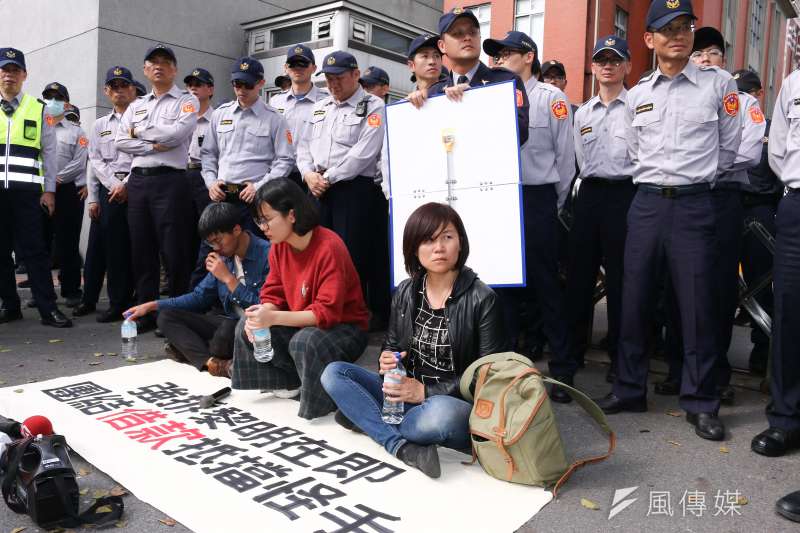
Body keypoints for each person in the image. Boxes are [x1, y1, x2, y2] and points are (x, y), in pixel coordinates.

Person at [595, 0, 742, 443]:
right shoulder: (639, 93)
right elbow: (636, 152)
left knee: (696, 305)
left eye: (685, 26)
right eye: (667, 28)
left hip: (696, 204)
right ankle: (629, 389)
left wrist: (693, 181)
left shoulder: (719, 85)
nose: (678, 35)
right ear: (649, 39)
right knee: (634, 298)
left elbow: (729, 148)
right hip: (645, 204)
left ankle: (700, 402)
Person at [322, 202, 505, 478]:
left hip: (448, 402)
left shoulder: (482, 298)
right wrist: (388, 359)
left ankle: (369, 419)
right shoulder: (407, 291)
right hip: (401, 395)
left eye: (447, 237)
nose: (439, 248)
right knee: (334, 373)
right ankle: (404, 446)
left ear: (460, 243)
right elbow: (393, 345)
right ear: (414, 248)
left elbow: (488, 376)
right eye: (428, 240)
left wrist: (425, 393)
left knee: (439, 416)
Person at [656, 27, 765, 404]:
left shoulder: (738, 99)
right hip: (682, 199)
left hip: (721, 199)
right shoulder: (677, 92)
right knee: (675, 286)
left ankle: (715, 374)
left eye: (712, 53)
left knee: (715, 292)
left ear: (724, 59)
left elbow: (748, 151)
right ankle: (676, 368)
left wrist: (703, 166)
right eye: (698, 53)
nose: (704, 59)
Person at [483, 30, 574, 401]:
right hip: (499, 198)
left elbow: (566, 159)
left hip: (536, 199)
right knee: (501, 291)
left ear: (529, 56)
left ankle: (564, 371)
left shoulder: (550, 98)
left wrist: (553, 205)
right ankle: (506, 374)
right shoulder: (488, 97)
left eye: (509, 53)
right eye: (497, 54)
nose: (500, 59)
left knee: (547, 288)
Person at [232, 178, 370, 420]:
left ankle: (318, 403)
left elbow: (326, 313)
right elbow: (273, 292)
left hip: (345, 327)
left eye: (267, 219)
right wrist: (262, 315)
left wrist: (272, 316)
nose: (263, 227)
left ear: (292, 215)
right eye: (259, 220)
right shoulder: (279, 245)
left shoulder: (329, 246)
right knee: (246, 323)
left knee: (304, 342)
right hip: (303, 322)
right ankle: (287, 382)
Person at [296, 50, 390, 328]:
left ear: (356, 75)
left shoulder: (373, 106)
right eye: (328, 79)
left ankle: (353, 315)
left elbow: (365, 152)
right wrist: (308, 174)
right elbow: (302, 146)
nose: (333, 84)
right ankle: (320, 307)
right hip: (316, 187)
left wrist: (329, 177)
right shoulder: (320, 107)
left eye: (339, 78)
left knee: (352, 255)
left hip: (353, 189)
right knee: (315, 252)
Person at [124, 202, 269, 375]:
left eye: (218, 240)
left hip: (257, 328)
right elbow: (198, 297)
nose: (216, 248)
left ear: (236, 230)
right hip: (229, 323)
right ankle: (214, 364)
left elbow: (266, 306)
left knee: (225, 333)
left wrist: (228, 279)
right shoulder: (224, 258)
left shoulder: (267, 253)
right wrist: (151, 306)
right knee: (166, 317)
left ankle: (195, 351)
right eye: (211, 244)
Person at [566, 36, 635, 393]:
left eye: (615, 60)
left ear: (628, 66)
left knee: (623, 283)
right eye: (601, 60)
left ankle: (620, 361)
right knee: (579, 280)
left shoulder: (637, 106)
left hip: (626, 194)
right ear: (593, 67)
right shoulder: (583, 113)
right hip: (591, 195)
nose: (607, 66)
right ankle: (570, 361)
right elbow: (579, 158)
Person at [115, 43, 199, 332]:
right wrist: (153, 144)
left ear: (175, 69)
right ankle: (145, 313)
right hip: (138, 183)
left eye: (166, 62)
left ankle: (174, 315)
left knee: (174, 250)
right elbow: (119, 141)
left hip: (171, 182)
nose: (159, 66)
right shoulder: (136, 105)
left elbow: (177, 135)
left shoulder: (187, 101)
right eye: (153, 62)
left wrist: (137, 132)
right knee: (142, 250)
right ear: (145, 70)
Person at [0, 48, 72, 328]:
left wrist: (49, 190)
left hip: (27, 194)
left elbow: (49, 153)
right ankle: (10, 305)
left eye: (15, 70)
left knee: (35, 252)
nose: (9, 74)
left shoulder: (38, 108)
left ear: (24, 75)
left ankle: (48, 308)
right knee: (0, 252)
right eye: (5, 69)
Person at [751, 65, 800, 458]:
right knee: (788, 314)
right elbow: (779, 149)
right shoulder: (794, 83)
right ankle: (785, 419)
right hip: (797, 204)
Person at [201, 56, 294, 234]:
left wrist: (259, 186)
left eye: (248, 84)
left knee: (256, 253)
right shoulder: (220, 115)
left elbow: (285, 160)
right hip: (222, 196)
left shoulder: (275, 119)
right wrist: (211, 183)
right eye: (237, 84)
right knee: (215, 251)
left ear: (261, 83)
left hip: (255, 198)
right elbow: (208, 154)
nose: (241, 90)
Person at [408, 8, 529, 145]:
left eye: (473, 32)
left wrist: (473, 99)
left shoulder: (506, 81)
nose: (467, 38)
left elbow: (521, 133)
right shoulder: (434, 93)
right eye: (457, 34)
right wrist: (412, 108)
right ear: (442, 46)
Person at [74, 66, 137, 322]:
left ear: (132, 89)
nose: (119, 90)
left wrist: (125, 185)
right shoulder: (100, 125)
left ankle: (118, 302)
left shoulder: (140, 120)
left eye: (123, 85)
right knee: (96, 250)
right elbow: (94, 161)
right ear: (106, 91)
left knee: (120, 251)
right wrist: (93, 198)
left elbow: (143, 155)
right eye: (114, 86)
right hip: (107, 192)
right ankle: (88, 299)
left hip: (132, 189)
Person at [735, 68, 778, 376]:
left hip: (761, 214)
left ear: (759, 94)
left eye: (747, 93)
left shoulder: (773, 129)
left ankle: (763, 351)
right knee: (721, 285)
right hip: (729, 207)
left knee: (759, 283)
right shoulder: (727, 127)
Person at [41, 81, 88, 308]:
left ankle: (71, 290)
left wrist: (56, 179)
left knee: (68, 242)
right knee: (41, 243)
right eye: (48, 97)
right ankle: (44, 292)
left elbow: (80, 163)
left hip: (67, 190)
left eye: (57, 98)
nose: (52, 102)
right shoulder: (39, 127)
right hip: (40, 191)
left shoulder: (78, 132)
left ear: (66, 103)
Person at [268, 44, 329, 187]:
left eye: (303, 64)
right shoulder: (275, 101)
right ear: (285, 68)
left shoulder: (326, 100)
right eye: (293, 64)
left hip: (311, 176)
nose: (298, 68)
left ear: (314, 68)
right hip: (280, 173)